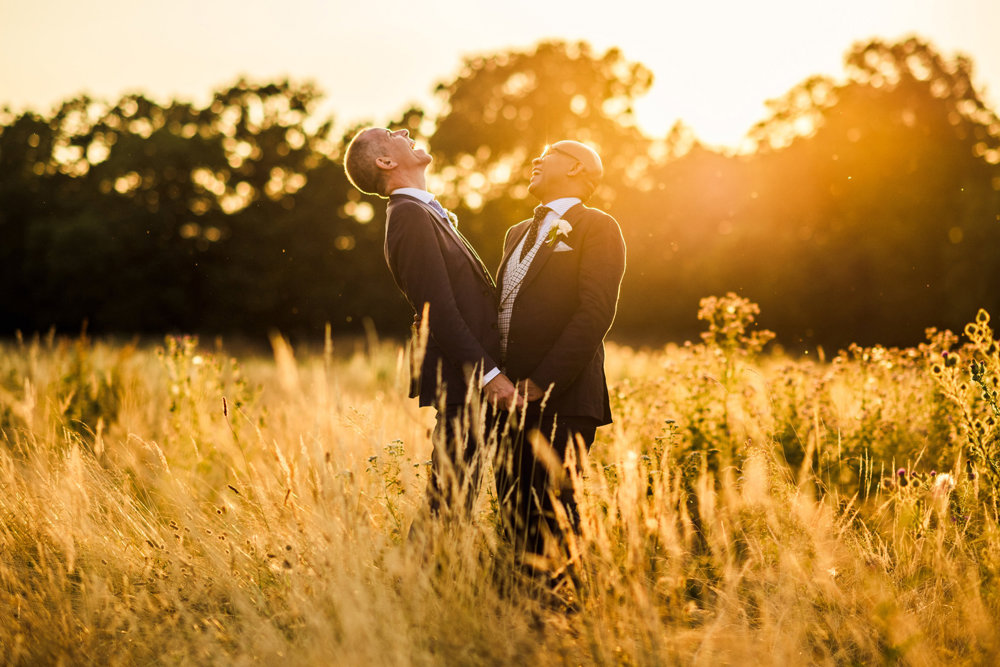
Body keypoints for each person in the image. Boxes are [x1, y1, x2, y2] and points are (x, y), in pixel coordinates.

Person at [343, 127, 516, 516]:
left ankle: (437, 575)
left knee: (456, 502)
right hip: (463, 383)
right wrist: (490, 377)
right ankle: (420, 576)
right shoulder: (408, 215)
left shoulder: (423, 212)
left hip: (468, 379)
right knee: (449, 505)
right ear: (385, 162)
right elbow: (436, 312)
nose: (403, 130)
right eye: (391, 133)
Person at [494, 140, 626, 563]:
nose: (535, 159)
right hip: (508, 399)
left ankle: (563, 614)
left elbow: (595, 313)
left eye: (547, 154)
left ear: (575, 168)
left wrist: (540, 383)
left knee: (553, 516)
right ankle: (516, 614)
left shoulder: (597, 226)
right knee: (514, 513)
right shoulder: (516, 233)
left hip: (562, 399)